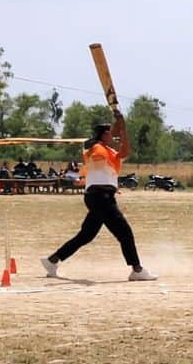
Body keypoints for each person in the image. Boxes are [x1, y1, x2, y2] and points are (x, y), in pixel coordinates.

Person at [41, 120, 157, 281]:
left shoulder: (107, 151)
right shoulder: (97, 148)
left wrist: (123, 132)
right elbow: (95, 162)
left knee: (86, 236)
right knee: (125, 233)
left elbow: (124, 153)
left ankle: (52, 260)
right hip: (100, 197)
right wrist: (82, 174)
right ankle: (137, 269)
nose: (113, 136)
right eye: (110, 132)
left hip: (101, 197)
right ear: (103, 135)